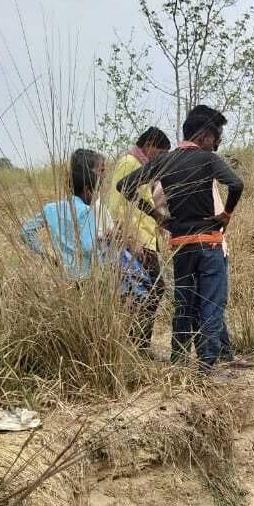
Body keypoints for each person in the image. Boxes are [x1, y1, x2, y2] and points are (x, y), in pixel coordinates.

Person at [118, 105, 243, 372]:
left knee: (184, 304)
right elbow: (237, 184)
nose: (219, 143)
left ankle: (178, 362)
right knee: (211, 304)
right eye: (217, 136)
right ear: (205, 136)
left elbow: (124, 186)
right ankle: (207, 366)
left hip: (180, 246)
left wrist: (156, 215)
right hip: (209, 243)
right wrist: (227, 214)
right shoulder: (208, 160)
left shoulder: (164, 161)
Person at [107, 126, 171, 352]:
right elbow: (118, 207)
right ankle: (138, 346)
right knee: (151, 290)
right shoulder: (129, 163)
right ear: (149, 145)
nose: (161, 158)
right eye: (160, 153)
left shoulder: (142, 166)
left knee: (147, 291)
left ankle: (138, 346)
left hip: (146, 240)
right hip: (137, 242)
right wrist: (132, 242)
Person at [21, 148, 112, 277]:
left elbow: (26, 232)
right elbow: (88, 248)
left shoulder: (50, 208)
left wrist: (47, 256)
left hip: (61, 277)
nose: (95, 196)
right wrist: (104, 238)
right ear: (87, 190)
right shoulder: (86, 211)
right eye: (95, 191)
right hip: (85, 278)